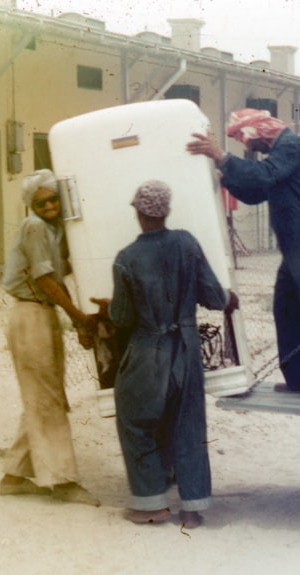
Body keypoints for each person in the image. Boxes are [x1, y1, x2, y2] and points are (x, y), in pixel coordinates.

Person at [99, 180, 238, 529]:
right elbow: (213, 297)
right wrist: (227, 297)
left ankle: (151, 504)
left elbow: (122, 318)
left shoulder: (126, 258)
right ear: (166, 211)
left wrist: (107, 307)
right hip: (187, 349)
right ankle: (192, 508)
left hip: (148, 350)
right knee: (188, 425)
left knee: (135, 420)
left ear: (138, 213)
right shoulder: (187, 243)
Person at [187, 108, 300, 392]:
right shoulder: (279, 155)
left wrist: (223, 158)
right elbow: (255, 193)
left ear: (256, 129)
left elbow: (264, 176)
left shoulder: (290, 145)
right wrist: (226, 174)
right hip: (296, 243)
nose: (244, 143)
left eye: (241, 135)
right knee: (287, 307)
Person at [0, 168, 100, 506]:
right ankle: (62, 480)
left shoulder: (55, 231)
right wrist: (78, 317)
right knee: (47, 398)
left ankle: (14, 475)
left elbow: (63, 272)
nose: (49, 205)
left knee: (46, 395)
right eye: (41, 201)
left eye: (53, 198)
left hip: (42, 315)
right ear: (31, 204)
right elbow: (45, 280)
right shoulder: (34, 227)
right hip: (30, 313)